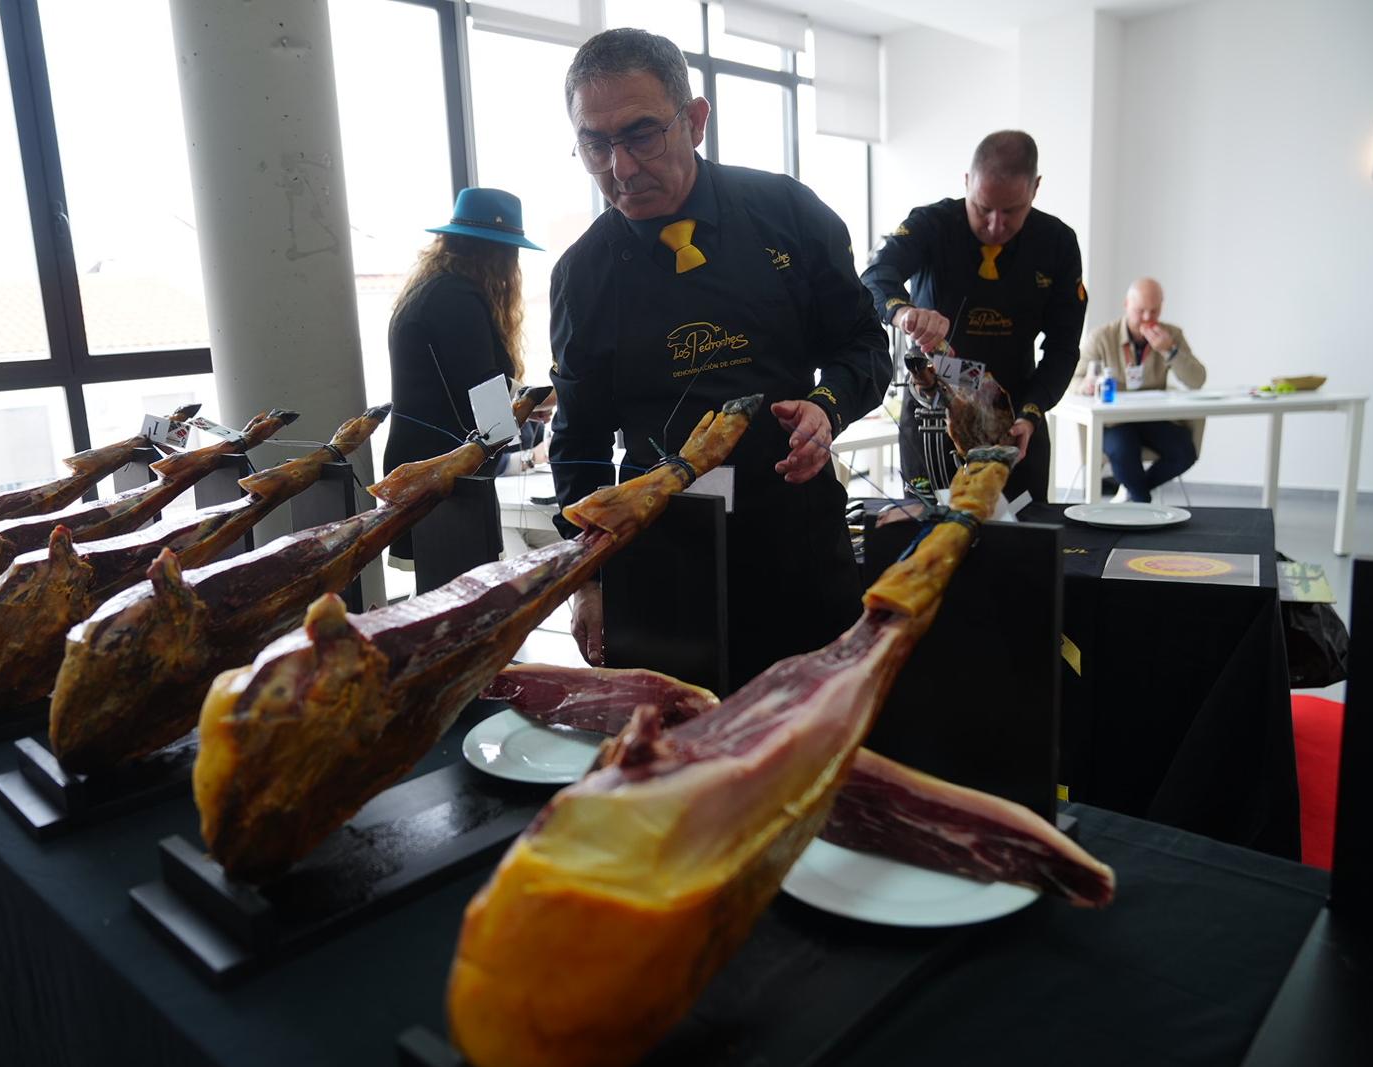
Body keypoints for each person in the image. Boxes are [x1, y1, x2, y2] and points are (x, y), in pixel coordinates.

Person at [549, 28, 892, 689]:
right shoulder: (583, 274)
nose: (620, 166)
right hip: (658, 556)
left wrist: (828, 407)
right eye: (595, 143)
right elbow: (580, 441)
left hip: (794, 540)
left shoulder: (787, 214)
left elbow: (864, 345)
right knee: (671, 761)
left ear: (696, 120)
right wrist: (587, 577)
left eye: (641, 134)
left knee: (810, 751)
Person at [862, 131, 1087, 503]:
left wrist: (1031, 414)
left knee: (1020, 545)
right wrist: (904, 312)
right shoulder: (931, 224)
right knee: (928, 541)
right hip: (933, 411)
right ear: (967, 182)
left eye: (1011, 211)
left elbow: (1064, 347)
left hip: (1015, 413)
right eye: (983, 208)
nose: (996, 225)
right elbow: (874, 275)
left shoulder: (1057, 243)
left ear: (1035, 188)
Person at [383, 187, 546, 563]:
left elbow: (463, 379)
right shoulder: (458, 299)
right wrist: (544, 400)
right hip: (446, 473)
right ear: (500, 254)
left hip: (423, 466)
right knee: (461, 595)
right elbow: (487, 403)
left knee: (438, 590)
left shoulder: (431, 290)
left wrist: (521, 405)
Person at [1074, 277, 1206, 502]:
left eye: (1154, 311)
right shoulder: (1102, 337)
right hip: (1114, 422)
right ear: (1127, 305)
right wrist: (1087, 385)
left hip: (1152, 417)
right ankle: (1141, 500)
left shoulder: (1171, 335)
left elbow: (1197, 380)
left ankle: (1132, 488)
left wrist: (1170, 351)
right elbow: (1072, 381)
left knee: (1185, 451)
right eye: (1140, 310)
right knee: (1124, 450)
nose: (1147, 318)